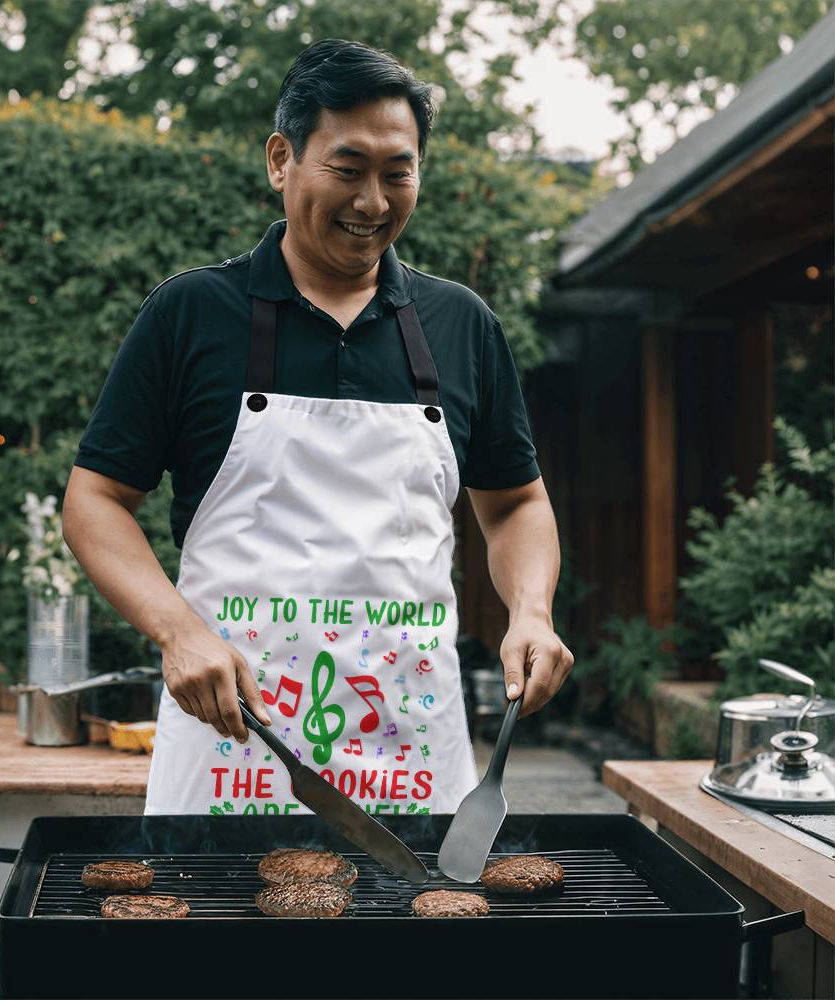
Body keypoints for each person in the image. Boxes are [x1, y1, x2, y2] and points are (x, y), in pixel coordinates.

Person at [63, 38, 573, 817]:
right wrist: (178, 632)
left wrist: (531, 610)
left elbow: (514, 504)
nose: (373, 201)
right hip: (232, 748)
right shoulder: (192, 314)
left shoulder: (460, 325)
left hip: (411, 755)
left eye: (397, 173)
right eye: (348, 168)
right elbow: (95, 499)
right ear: (281, 160)